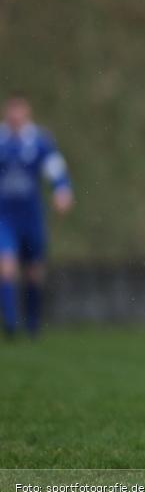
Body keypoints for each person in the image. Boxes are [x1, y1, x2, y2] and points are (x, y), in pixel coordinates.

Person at [0, 92, 73, 338]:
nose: (14, 115)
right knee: (6, 267)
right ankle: (10, 324)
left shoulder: (40, 141)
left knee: (34, 272)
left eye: (19, 110)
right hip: (4, 216)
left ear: (27, 112)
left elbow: (55, 168)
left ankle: (32, 324)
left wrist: (62, 190)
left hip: (31, 216)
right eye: (11, 110)